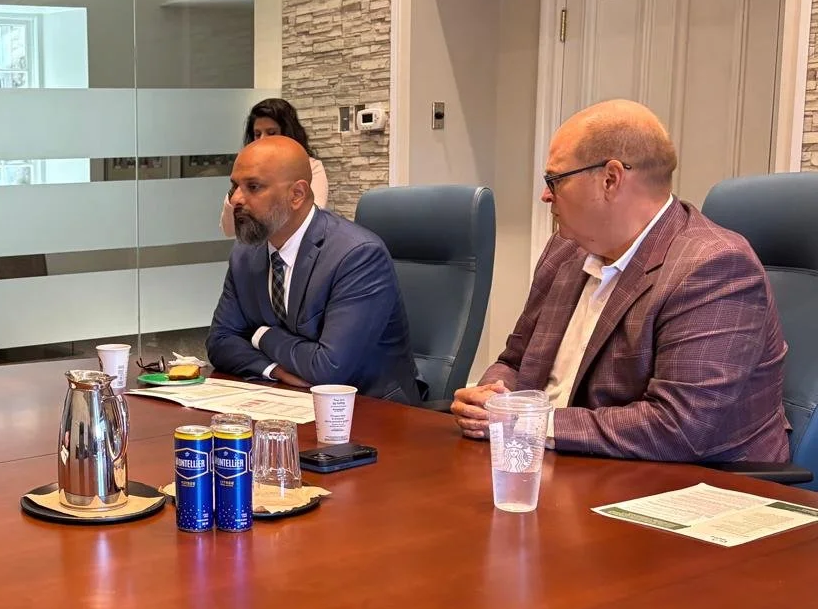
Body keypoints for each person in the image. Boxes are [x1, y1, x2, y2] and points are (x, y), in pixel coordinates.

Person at [452, 99, 789, 462]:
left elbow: (678, 428)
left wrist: (526, 422)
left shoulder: (714, 266)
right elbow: (516, 361)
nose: (546, 195)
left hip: (692, 487)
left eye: (555, 180)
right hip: (561, 463)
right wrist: (490, 396)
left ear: (610, 178)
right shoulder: (566, 248)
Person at [208, 136, 426, 403]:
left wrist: (261, 335)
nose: (236, 200)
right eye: (234, 186)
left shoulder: (357, 255)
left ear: (296, 195)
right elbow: (219, 342)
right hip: (288, 402)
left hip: (373, 414)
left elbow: (329, 370)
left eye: (253, 187)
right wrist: (274, 370)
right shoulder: (246, 253)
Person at [220, 98, 329, 236]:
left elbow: (310, 223)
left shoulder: (311, 167)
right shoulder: (245, 173)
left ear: (288, 134)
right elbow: (229, 230)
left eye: (271, 133)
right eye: (257, 134)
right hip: (255, 249)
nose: (262, 140)